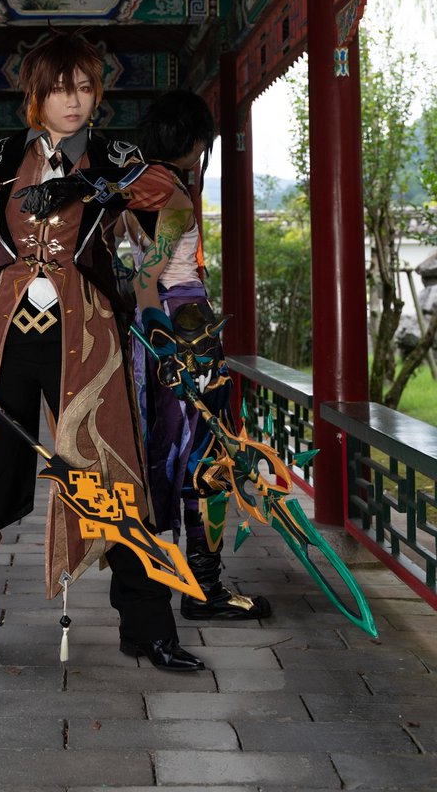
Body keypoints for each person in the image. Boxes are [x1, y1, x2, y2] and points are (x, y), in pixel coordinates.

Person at [0, 32, 205, 674]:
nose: (74, 100)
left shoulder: (118, 158)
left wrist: (95, 189)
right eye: (61, 88)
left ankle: (148, 629)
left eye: (85, 88)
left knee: (114, 475)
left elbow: (173, 203)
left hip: (86, 339)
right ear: (35, 95)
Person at [123, 89, 271, 622]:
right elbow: (148, 278)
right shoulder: (178, 197)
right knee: (210, 454)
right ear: (191, 142)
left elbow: (130, 270)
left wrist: (148, 330)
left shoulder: (132, 191)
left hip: (149, 336)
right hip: (186, 329)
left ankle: (181, 579)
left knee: (167, 445)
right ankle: (205, 588)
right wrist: (170, 339)